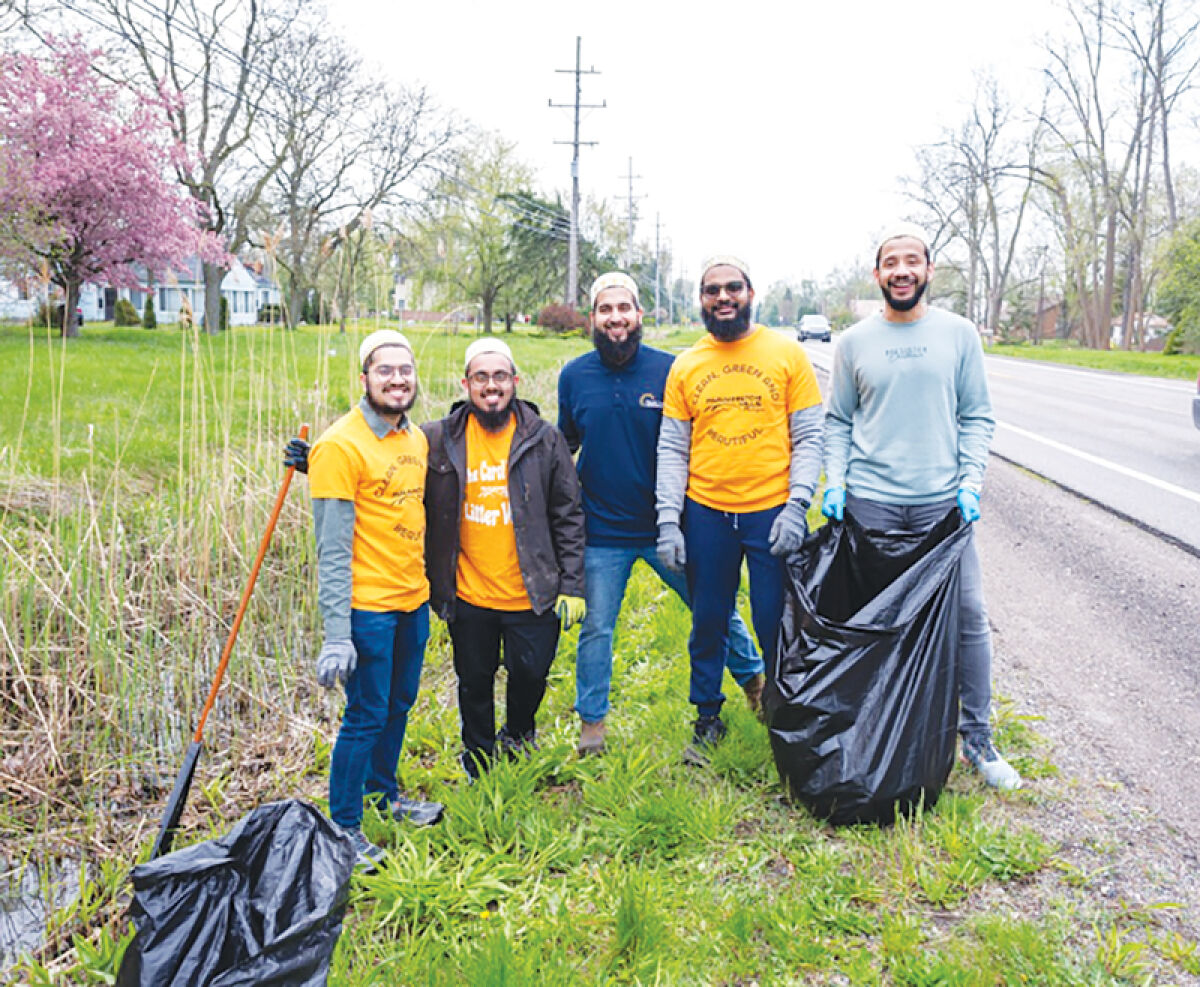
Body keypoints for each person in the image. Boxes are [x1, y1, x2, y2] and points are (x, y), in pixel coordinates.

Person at [821, 228, 1021, 790]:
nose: (901, 270)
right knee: (874, 624)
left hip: (941, 509)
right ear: (877, 275)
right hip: (870, 507)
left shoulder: (958, 335)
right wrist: (834, 485)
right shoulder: (855, 342)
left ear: (929, 271)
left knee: (968, 617)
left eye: (912, 261)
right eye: (891, 262)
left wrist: (969, 483)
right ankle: (873, 733)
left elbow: (978, 416)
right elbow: (837, 421)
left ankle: (977, 740)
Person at [558, 272, 765, 756]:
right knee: (596, 628)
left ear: (639, 314)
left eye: (623, 308)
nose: (615, 318)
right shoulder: (574, 376)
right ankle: (593, 724)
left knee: (712, 609)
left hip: (668, 525)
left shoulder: (671, 370)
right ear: (593, 317)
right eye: (605, 310)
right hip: (601, 531)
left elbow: (691, 444)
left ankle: (756, 683)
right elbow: (564, 447)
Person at [656, 256, 824, 761]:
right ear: (701, 300)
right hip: (706, 512)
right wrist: (669, 520)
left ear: (752, 293)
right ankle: (707, 715)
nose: (722, 297)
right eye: (712, 290)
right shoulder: (686, 364)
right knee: (709, 618)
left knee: (774, 618)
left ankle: (781, 710)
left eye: (733, 287)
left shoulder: (787, 355)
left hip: (772, 511)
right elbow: (672, 447)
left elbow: (810, 435)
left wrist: (798, 505)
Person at [299, 328, 444, 869]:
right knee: (365, 715)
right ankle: (344, 827)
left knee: (400, 704)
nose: (397, 378)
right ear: (364, 379)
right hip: (369, 607)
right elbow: (331, 551)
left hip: (413, 599)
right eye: (385, 370)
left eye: (405, 370)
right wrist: (338, 633)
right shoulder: (340, 445)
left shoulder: (415, 440)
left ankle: (386, 796)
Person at [423, 338, 586, 779]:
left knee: (530, 674)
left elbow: (568, 514)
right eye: (481, 377)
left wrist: (572, 585)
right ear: (466, 384)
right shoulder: (439, 438)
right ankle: (477, 757)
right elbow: (381, 459)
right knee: (474, 680)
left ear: (514, 382)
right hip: (469, 593)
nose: (491, 386)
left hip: (530, 592)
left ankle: (517, 734)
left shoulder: (544, 439)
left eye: (500, 377)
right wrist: (317, 460)